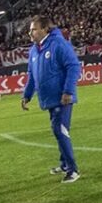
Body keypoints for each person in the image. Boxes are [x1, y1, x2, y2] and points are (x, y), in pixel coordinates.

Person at [21, 15, 82, 184]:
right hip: (49, 100)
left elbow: (73, 66)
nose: (30, 32)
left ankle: (73, 170)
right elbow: (32, 76)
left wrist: (68, 91)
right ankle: (64, 165)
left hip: (62, 98)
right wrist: (26, 95)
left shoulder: (58, 44)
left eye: (33, 29)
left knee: (59, 130)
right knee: (58, 131)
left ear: (45, 29)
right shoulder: (34, 50)